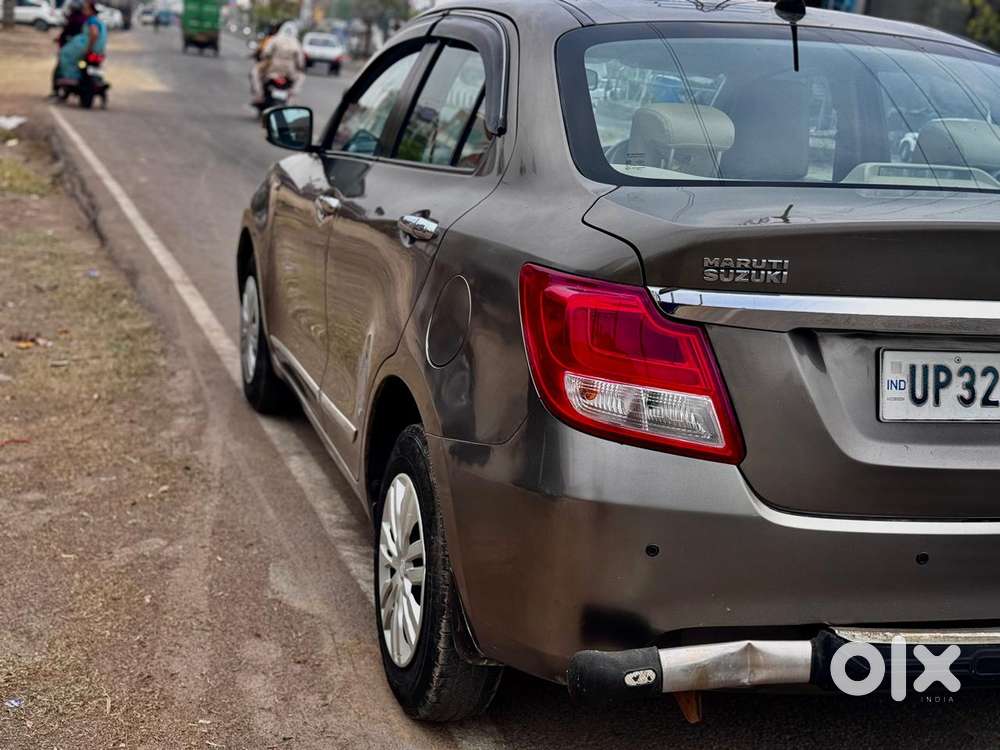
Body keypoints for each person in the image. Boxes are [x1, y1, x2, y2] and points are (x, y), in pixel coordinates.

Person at [250, 21, 305, 106]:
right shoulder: (296, 43)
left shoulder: (274, 39)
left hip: (273, 67)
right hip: (289, 70)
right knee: (301, 77)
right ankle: (291, 98)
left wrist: (265, 58)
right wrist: (299, 67)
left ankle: (259, 95)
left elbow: (266, 53)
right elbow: (300, 61)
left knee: (255, 72)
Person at [56, 0, 107, 85]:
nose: (83, 11)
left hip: (85, 47)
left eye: (85, 9)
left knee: (64, 54)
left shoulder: (91, 20)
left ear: (91, 11)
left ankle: (71, 77)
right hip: (99, 50)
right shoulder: (99, 21)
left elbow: (94, 34)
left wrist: (89, 48)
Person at [50, 0, 86, 97]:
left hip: (72, 50)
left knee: (59, 66)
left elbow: (65, 33)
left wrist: (60, 39)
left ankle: (56, 91)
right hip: (85, 49)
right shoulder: (86, 19)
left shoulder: (73, 19)